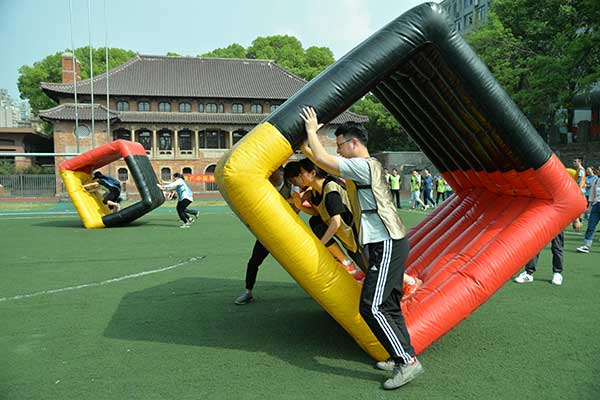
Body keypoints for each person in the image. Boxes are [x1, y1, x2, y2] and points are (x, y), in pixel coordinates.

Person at [300, 107, 423, 390]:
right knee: (388, 305)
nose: (339, 151)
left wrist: (311, 131)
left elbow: (324, 161)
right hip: (385, 243)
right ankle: (401, 356)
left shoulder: (364, 165)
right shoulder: (363, 168)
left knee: (372, 306)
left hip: (387, 242)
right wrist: (306, 148)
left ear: (354, 142)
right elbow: (322, 160)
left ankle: (407, 362)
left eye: (341, 145)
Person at [234, 165, 299, 305]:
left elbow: (297, 208)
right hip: (267, 232)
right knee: (254, 262)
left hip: (287, 231)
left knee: (300, 263)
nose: (270, 174)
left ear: (280, 172)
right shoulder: (263, 185)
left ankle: (316, 291)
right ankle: (248, 292)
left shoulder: (291, 185)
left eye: (273, 171)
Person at [576, 175, 600, 254]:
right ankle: (586, 246)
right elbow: (592, 195)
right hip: (596, 206)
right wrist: (589, 207)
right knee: (591, 226)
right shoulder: (596, 181)